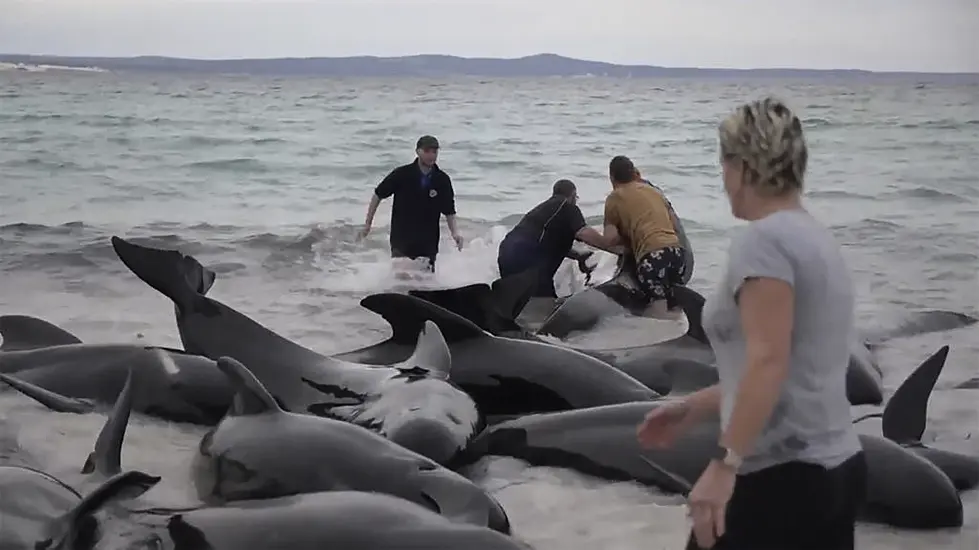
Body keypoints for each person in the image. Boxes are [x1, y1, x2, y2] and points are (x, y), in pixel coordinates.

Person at [636, 97, 865, 550]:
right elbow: (795, 370)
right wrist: (694, 406)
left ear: (742, 166)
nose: (723, 178)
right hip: (838, 471)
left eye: (724, 163)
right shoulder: (816, 239)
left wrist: (723, 466)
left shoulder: (763, 241)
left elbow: (768, 361)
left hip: (779, 479)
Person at [600, 155, 687, 318]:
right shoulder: (654, 191)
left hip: (652, 258)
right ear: (634, 173)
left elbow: (609, 239)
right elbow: (674, 225)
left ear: (611, 177)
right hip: (678, 254)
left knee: (656, 309)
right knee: (675, 307)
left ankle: (656, 339)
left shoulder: (614, 198)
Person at [360, 135, 463, 272]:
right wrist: (368, 224)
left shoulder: (442, 179)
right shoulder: (402, 174)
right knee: (400, 281)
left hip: (428, 241)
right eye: (427, 151)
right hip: (402, 238)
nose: (431, 155)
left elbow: (449, 210)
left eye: (434, 151)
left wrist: (455, 233)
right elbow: (378, 194)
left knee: (425, 285)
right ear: (418, 151)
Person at [497, 179, 616, 298]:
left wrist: (578, 256)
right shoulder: (568, 207)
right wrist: (612, 247)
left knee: (518, 302)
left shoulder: (543, 210)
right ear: (573, 195)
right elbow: (583, 233)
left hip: (506, 255)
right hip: (529, 263)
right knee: (546, 305)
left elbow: (544, 242)